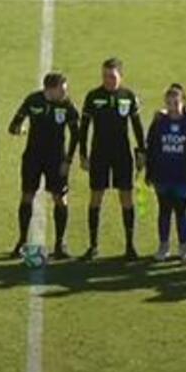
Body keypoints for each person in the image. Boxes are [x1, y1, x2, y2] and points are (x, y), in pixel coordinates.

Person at [79, 58, 146, 260]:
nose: (108, 80)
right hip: (99, 154)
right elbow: (84, 127)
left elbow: (137, 126)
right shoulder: (93, 96)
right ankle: (93, 246)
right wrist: (83, 154)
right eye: (105, 76)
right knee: (96, 197)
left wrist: (141, 152)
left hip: (122, 155)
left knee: (126, 197)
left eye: (112, 76)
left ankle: (130, 246)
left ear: (120, 76)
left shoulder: (128, 96)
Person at [8, 72, 79, 260]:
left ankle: (60, 244)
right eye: (62, 89)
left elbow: (76, 135)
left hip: (56, 159)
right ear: (50, 89)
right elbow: (14, 125)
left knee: (60, 198)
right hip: (33, 157)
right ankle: (22, 241)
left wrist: (68, 160)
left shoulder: (67, 106)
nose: (65, 93)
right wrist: (19, 130)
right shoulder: (33, 100)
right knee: (27, 196)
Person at [144, 84, 186, 263]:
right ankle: (163, 247)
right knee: (164, 211)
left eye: (176, 103)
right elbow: (151, 148)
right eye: (169, 103)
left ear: (183, 102)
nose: (173, 107)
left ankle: (184, 249)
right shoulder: (159, 122)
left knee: (181, 211)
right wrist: (149, 172)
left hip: (183, 176)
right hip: (162, 176)